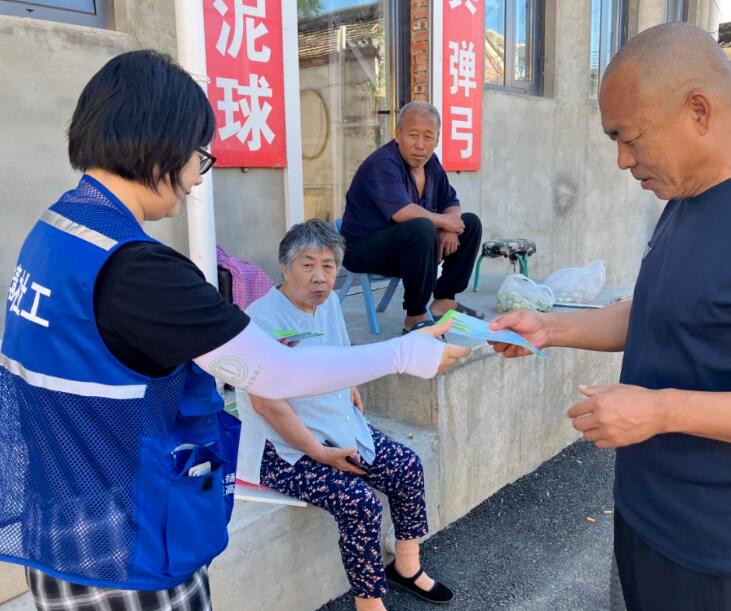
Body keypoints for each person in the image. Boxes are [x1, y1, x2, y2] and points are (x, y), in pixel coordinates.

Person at [0, 50, 468, 611]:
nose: (195, 179)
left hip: (61, 518)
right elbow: (275, 372)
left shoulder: (55, 231)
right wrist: (406, 353)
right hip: (126, 544)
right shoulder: (138, 270)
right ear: (161, 145)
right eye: (199, 156)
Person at [491, 23, 731, 611]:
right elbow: (658, 312)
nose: (622, 160)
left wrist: (662, 410)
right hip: (645, 514)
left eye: (629, 137)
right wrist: (551, 328)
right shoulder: (684, 199)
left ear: (698, 110)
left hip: (725, 549)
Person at [236, 220, 453, 611]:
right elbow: (267, 404)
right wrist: (318, 452)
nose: (320, 277)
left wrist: (348, 386)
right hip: (282, 448)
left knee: (406, 466)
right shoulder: (260, 320)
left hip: (334, 424)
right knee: (359, 502)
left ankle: (406, 566)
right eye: (308, 265)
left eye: (329, 265)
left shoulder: (330, 303)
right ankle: (369, 604)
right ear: (284, 267)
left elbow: (341, 354)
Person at [340, 101, 484, 333]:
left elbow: (450, 202)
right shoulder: (382, 163)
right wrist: (445, 223)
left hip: (410, 247)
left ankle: (444, 301)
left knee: (471, 224)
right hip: (363, 249)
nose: (420, 145)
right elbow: (403, 213)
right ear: (398, 134)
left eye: (428, 137)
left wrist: (450, 227)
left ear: (437, 140)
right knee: (421, 228)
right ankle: (415, 316)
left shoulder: (431, 163)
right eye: (413, 135)